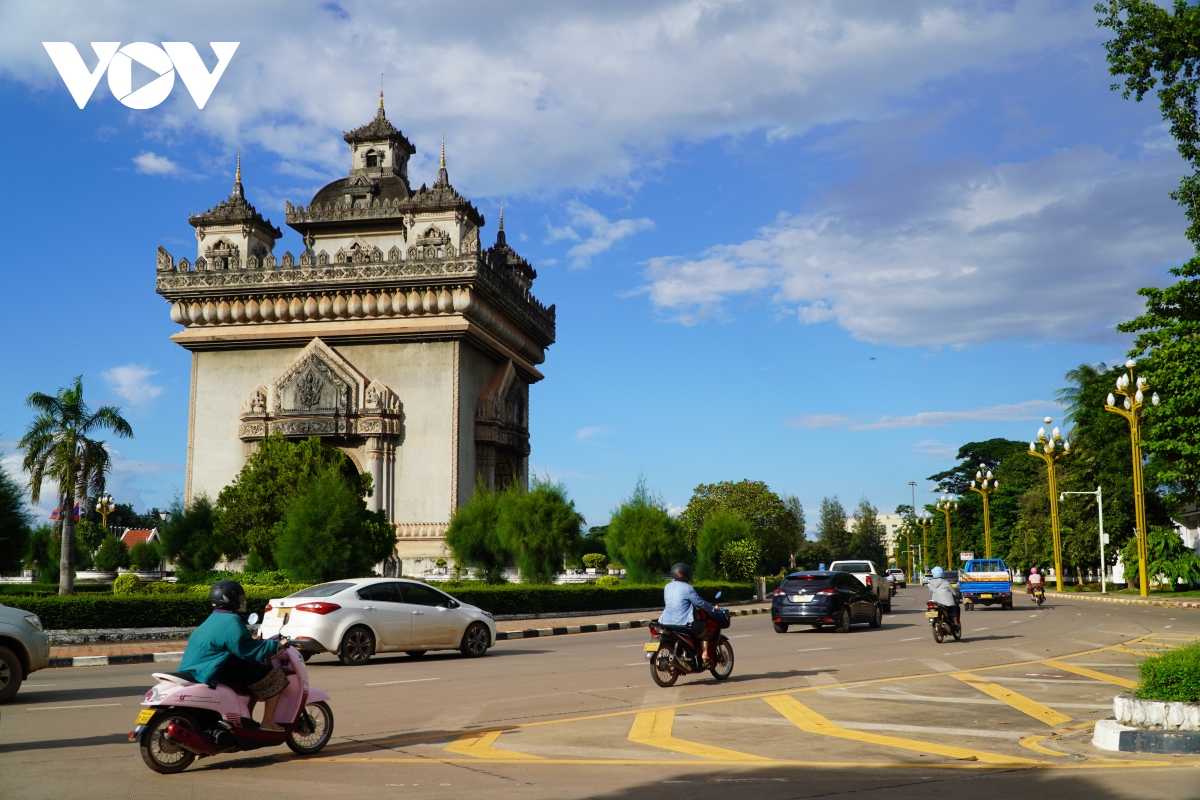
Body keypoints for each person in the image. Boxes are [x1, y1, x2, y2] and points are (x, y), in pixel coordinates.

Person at [178, 580, 291, 732]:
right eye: (238, 597)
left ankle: (246, 719)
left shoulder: (212, 618)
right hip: (214, 670)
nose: (240, 601)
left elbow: (236, 645)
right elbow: (247, 650)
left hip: (200, 668)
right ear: (230, 599)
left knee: (255, 677)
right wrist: (276, 645)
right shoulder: (231, 621)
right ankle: (268, 722)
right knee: (275, 677)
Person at [658, 563, 717, 667]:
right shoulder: (687, 588)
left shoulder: (667, 587)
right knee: (703, 630)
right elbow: (699, 603)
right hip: (682, 622)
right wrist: (712, 609)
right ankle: (705, 655)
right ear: (685, 575)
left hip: (665, 622)